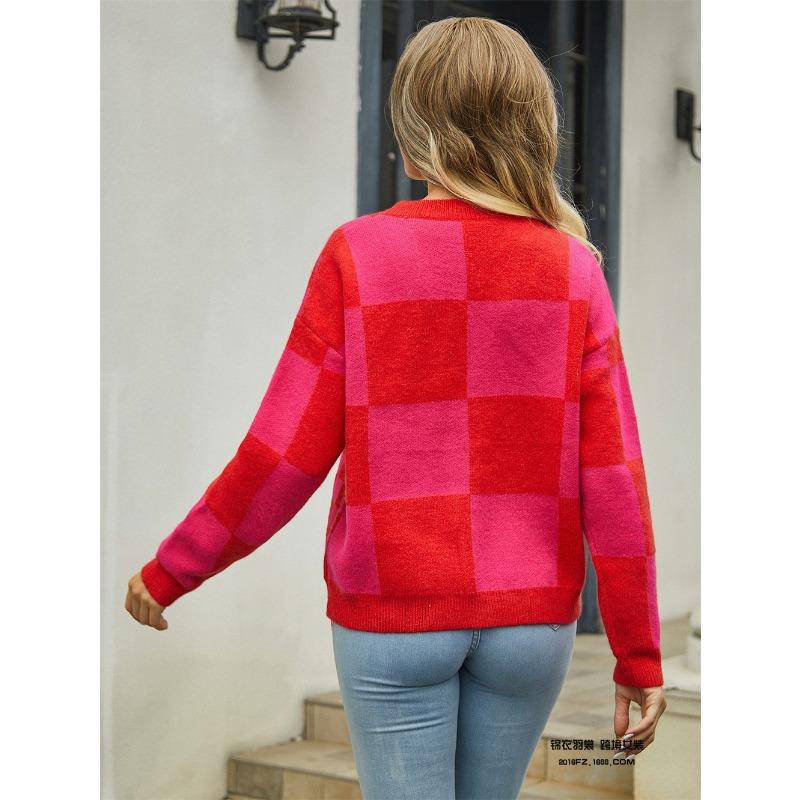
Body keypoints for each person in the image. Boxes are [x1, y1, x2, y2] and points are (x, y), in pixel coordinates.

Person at [125, 15, 666, 800]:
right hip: (531, 622)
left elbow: (282, 455)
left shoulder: (359, 255)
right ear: (533, 130)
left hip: (394, 611)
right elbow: (614, 480)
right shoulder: (574, 271)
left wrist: (175, 567)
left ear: (412, 142)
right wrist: (638, 653)